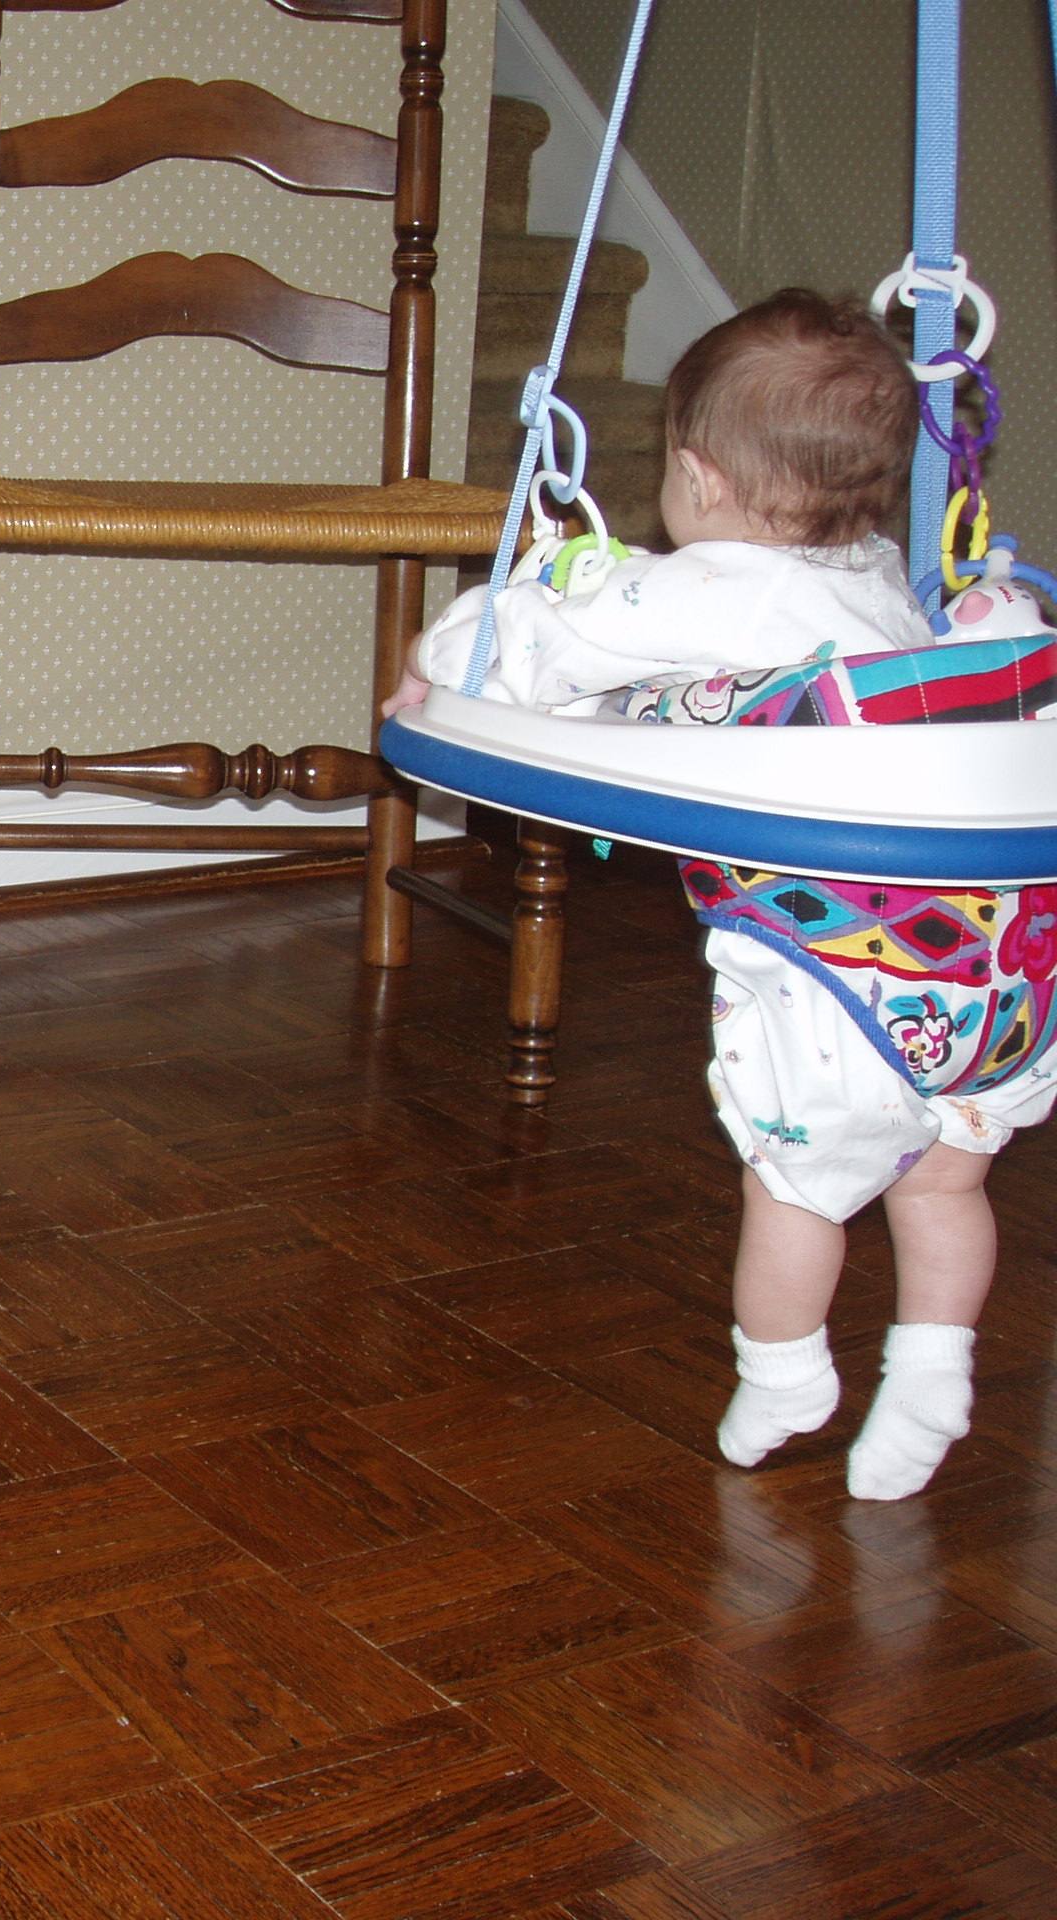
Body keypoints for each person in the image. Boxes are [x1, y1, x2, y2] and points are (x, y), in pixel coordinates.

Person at [390, 290, 1057, 1501]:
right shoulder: (882, 579)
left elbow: (515, 653)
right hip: (992, 972)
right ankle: (933, 1368)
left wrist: (446, 651)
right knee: (944, 1180)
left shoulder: (707, 590)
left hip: (841, 982)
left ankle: (784, 1370)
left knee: (793, 1190)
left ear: (697, 478)